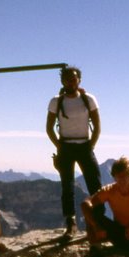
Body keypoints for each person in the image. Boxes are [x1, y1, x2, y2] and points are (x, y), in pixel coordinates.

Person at [46, 65, 102, 235]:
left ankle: (98, 221)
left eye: (74, 78)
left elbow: (97, 126)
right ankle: (71, 224)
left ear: (79, 80)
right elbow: (49, 128)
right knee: (67, 186)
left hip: (85, 146)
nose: (71, 81)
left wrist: (91, 145)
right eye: (67, 78)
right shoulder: (56, 101)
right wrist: (59, 146)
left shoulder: (88, 99)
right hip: (66, 146)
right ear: (62, 81)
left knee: (95, 185)